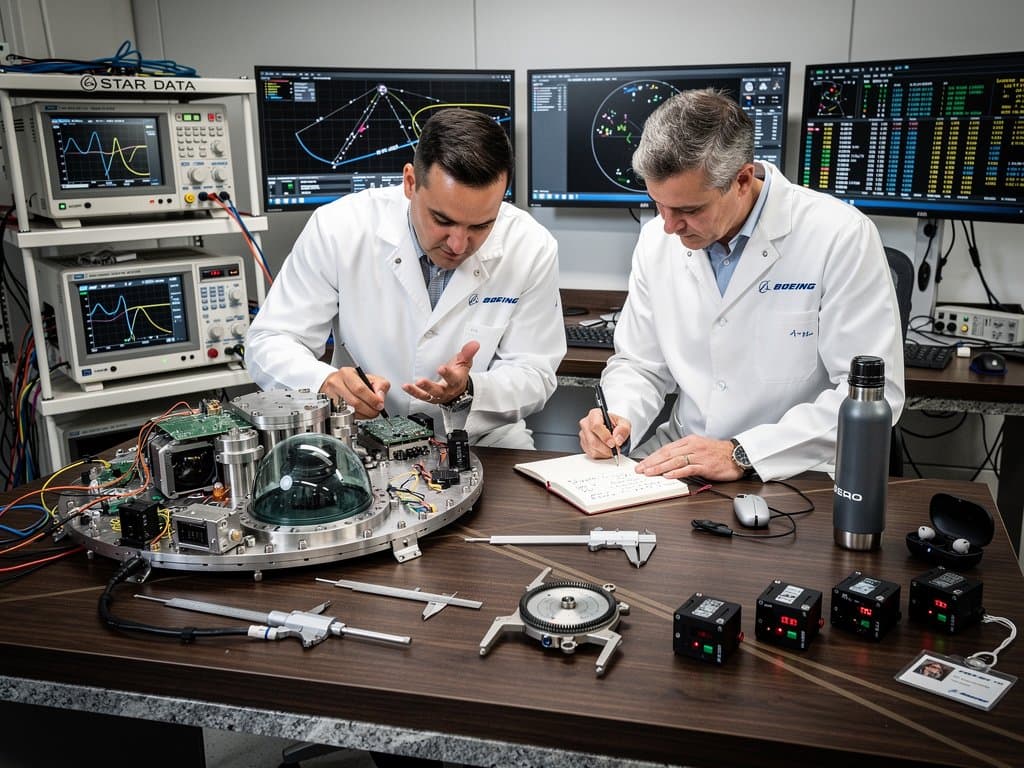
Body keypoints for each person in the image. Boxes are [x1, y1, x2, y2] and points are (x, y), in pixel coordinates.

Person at [578, 88, 905, 481]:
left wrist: (743, 453)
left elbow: (872, 398)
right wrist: (618, 417)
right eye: (657, 204)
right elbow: (641, 366)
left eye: (688, 210)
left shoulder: (839, 235)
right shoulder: (656, 241)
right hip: (685, 456)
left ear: (742, 180)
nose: (668, 226)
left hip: (795, 468)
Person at [246, 108, 566, 448]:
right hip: (364, 439)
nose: (458, 244)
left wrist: (469, 389)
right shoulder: (340, 228)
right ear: (410, 182)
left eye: (481, 225)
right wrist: (324, 382)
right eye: (442, 220)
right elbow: (270, 340)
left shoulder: (531, 246)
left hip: (483, 441)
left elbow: (535, 374)